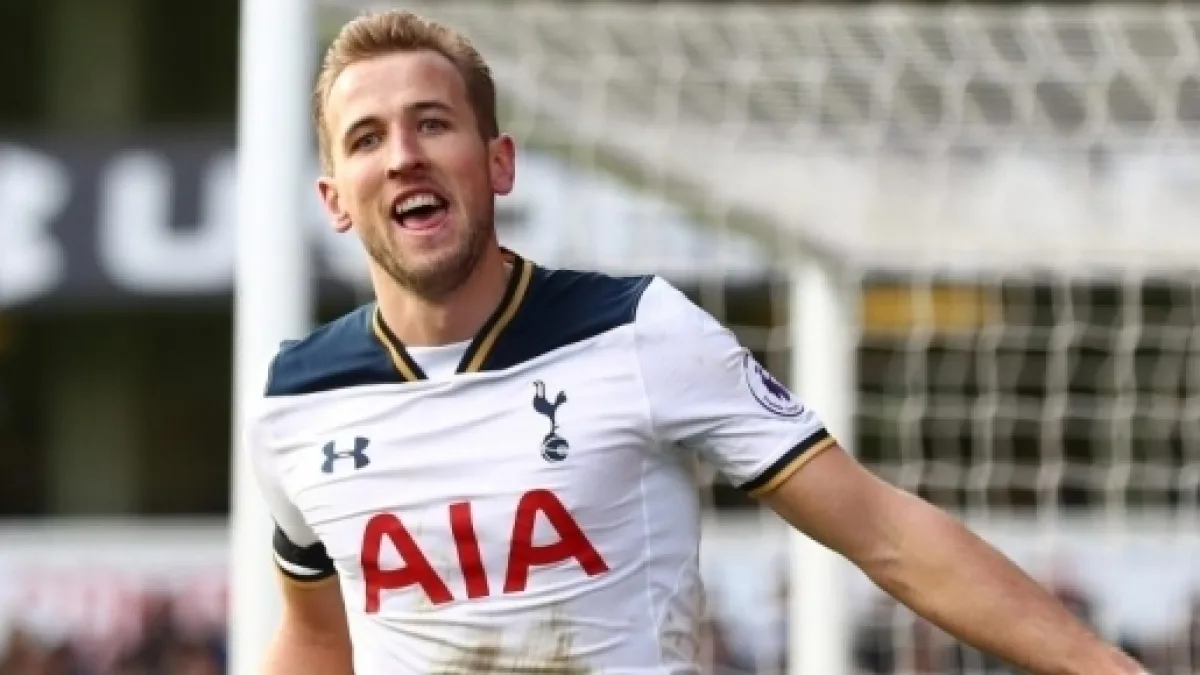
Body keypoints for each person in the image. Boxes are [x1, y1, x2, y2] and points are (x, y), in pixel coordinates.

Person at [246, 9, 1149, 675]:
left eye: (432, 122)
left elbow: (882, 532)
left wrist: (1103, 665)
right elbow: (318, 636)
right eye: (367, 138)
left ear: (499, 162)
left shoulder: (638, 331)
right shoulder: (297, 400)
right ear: (335, 199)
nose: (402, 154)